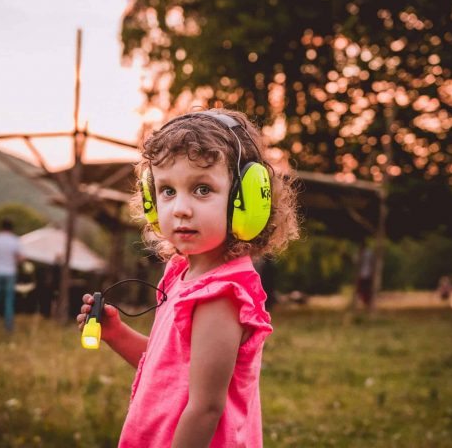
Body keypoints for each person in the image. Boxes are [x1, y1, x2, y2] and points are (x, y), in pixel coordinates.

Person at [76, 109, 300, 447]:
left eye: (202, 189)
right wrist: (116, 334)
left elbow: (205, 408)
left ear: (247, 200)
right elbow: (169, 372)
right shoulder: (182, 273)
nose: (180, 208)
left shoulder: (220, 296)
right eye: (167, 191)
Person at [354, 239, 375, 310]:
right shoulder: (368, 253)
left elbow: (356, 262)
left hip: (364, 275)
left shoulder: (365, 253)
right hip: (366, 275)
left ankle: (366, 304)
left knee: (363, 291)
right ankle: (365, 304)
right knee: (364, 291)